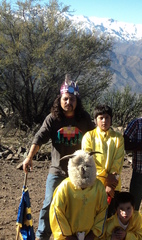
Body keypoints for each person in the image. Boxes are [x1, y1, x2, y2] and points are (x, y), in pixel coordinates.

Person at [22, 75, 95, 240]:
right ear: (60, 100)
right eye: (65, 99)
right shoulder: (53, 119)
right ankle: (42, 234)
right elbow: (39, 137)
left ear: (77, 101)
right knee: (49, 204)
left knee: (77, 205)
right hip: (57, 170)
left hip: (79, 172)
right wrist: (29, 157)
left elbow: (95, 138)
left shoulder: (84, 119)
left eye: (72, 99)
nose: (68, 102)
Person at [49, 150, 108, 240]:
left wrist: (93, 235)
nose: (83, 169)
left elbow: (102, 212)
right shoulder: (65, 187)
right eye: (78, 166)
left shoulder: (98, 187)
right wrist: (68, 236)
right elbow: (57, 212)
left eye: (87, 166)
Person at [82, 104, 124, 217]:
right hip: (94, 184)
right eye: (101, 118)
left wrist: (111, 182)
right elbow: (88, 160)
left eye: (107, 118)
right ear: (95, 120)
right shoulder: (88, 137)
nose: (104, 121)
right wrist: (106, 180)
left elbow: (118, 161)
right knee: (93, 216)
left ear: (111, 119)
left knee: (111, 218)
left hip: (113, 186)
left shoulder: (118, 138)